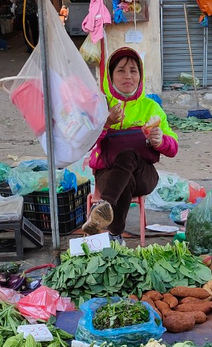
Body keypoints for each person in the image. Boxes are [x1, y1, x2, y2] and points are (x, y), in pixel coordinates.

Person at [82, 47, 179, 244]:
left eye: (133, 70)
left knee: (128, 155)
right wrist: (106, 123)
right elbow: (84, 143)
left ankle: (104, 207)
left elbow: (174, 148)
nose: (128, 76)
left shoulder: (151, 108)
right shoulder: (100, 106)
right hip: (108, 173)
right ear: (110, 76)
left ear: (140, 76)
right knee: (122, 181)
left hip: (144, 175)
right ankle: (114, 235)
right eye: (121, 70)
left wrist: (160, 141)